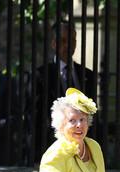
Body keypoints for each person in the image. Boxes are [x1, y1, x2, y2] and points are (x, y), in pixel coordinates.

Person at [29, 21, 96, 163]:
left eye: (72, 40)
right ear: (54, 43)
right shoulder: (40, 75)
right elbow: (35, 114)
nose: (68, 45)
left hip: (81, 148)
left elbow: (93, 113)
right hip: (52, 146)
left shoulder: (87, 75)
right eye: (63, 40)